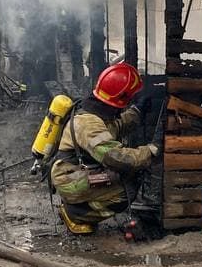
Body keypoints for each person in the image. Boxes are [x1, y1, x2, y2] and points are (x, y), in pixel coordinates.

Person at [50, 61, 161, 234]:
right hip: (70, 179)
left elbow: (113, 129)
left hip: (73, 172)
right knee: (128, 187)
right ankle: (76, 214)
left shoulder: (92, 113)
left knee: (124, 175)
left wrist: (136, 111)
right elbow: (116, 157)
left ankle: (79, 204)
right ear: (120, 100)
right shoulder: (89, 124)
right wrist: (152, 150)